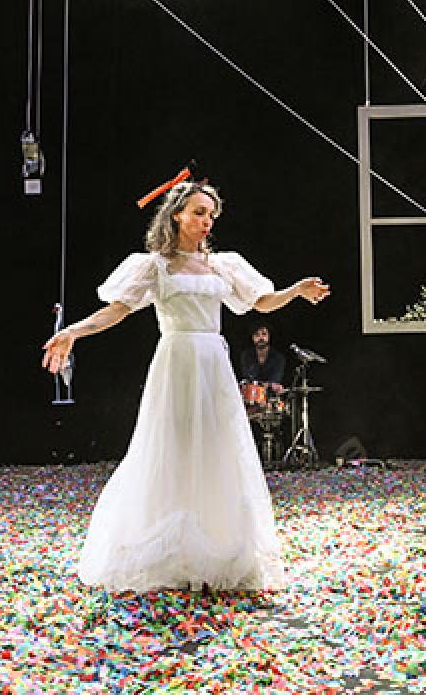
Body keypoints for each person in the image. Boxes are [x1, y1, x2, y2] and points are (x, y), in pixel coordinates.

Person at [42, 171, 329, 592]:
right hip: (176, 362)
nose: (206, 221)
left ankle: (216, 545)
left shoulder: (222, 265)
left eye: (211, 214)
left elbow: (261, 302)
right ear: (177, 215)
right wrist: (73, 332)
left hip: (212, 364)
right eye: (198, 213)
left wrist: (296, 291)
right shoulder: (154, 267)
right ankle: (170, 549)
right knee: (171, 448)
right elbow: (117, 310)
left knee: (216, 449)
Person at [238, 323, 286, 393]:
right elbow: (247, 378)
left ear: (269, 336)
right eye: (257, 335)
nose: (261, 338)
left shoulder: (278, 357)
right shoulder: (246, 355)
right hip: (251, 393)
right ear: (252, 337)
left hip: (270, 394)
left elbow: (275, 380)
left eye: (264, 334)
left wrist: (271, 385)